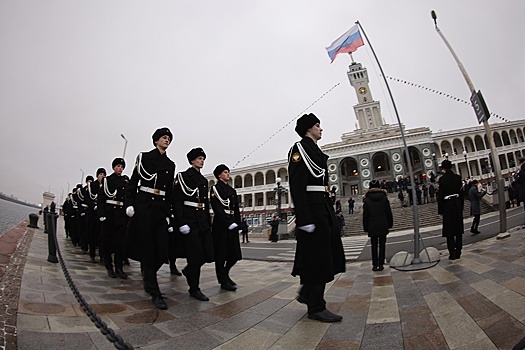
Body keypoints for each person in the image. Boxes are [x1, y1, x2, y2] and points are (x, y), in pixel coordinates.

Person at [288, 113, 345, 323]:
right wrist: (304, 218)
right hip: (312, 210)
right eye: (317, 125)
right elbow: (296, 184)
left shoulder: (315, 150)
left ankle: (307, 293)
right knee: (318, 257)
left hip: (322, 206)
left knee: (324, 254)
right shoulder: (299, 149)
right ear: (308, 128)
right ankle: (316, 307)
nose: (321, 129)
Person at [125, 127, 175, 310]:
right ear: (156, 140)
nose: (167, 140)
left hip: (160, 210)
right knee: (148, 250)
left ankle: (147, 275)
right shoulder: (144, 158)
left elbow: (169, 192)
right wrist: (129, 204)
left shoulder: (170, 164)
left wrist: (169, 214)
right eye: (164, 137)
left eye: (169, 138)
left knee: (162, 251)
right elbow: (133, 183)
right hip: (144, 206)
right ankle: (155, 292)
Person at [172, 147, 214, 301]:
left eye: (203, 159)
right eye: (199, 158)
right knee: (195, 255)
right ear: (191, 161)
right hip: (189, 220)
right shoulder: (183, 177)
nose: (201, 161)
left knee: (206, 253)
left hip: (202, 221)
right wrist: (180, 222)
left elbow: (205, 203)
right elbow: (176, 201)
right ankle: (194, 288)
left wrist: (208, 222)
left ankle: (189, 271)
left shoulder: (203, 180)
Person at [210, 164, 242, 291]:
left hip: (232, 224)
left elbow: (236, 209)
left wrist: (238, 224)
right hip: (221, 226)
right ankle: (223, 280)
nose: (228, 174)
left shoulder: (232, 190)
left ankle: (225, 273)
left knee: (234, 255)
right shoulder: (215, 189)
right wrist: (228, 222)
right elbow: (217, 209)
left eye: (228, 172)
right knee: (221, 255)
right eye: (225, 172)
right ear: (219, 175)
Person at [98, 159, 128, 279]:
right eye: (118, 166)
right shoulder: (107, 181)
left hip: (121, 214)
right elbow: (101, 199)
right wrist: (101, 214)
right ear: (113, 167)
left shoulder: (125, 181)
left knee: (120, 242)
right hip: (110, 214)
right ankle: (109, 266)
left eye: (122, 167)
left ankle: (119, 267)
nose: (120, 168)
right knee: (107, 241)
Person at [363, 180, 393, 271]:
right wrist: (390, 223)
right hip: (383, 224)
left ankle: (375, 265)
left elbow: (365, 216)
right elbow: (388, 212)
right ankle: (381, 264)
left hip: (372, 225)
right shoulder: (384, 198)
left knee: (374, 245)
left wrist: (365, 227)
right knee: (382, 245)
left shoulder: (367, 200)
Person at [437, 159, 464, 260]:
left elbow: (440, 196)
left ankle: (452, 253)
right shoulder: (458, 178)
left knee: (450, 231)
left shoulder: (442, 180)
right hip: (457, 203)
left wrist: (441, 210)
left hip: (447, 205)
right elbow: (461, 194)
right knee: (458, 230)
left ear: (443, 168)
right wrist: (461, 206)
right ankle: (458, 252)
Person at [86, 168, 106, 263]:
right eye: (101, 174)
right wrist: (93, 205)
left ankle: (102, 255)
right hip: (93, 213)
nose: (102, 176)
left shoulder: (106, 185)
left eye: (103, 174)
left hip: (101, 213)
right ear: (97, 175)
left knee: (102, 235)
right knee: (92, 233)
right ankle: (92, 254)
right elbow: (88, 198)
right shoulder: (92, 185)